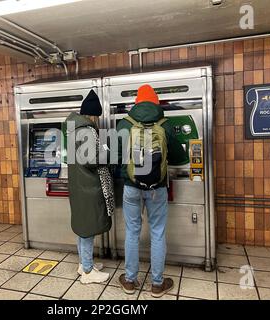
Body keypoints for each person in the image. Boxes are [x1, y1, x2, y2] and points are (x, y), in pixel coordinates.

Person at [116, 84, 188, 298]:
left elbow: (115, 156)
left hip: (131, 187)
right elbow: (180, 157)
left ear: (136, 103)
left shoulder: (124, 124)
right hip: (157, 188)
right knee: (157, 232)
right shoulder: (165, 124)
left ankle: (129, 280)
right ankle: (157, 284)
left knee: (132, 232)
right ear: (156, 103)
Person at [66, 89, 114, 284]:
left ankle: (84, 264)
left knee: (83, 226)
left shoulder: (73, 129)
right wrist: (106, 148)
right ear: (92, 114)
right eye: (97, 116)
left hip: (80, 185)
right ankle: (87, 272)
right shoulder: (85, 130)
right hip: (88, 186)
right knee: (87, 228)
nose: (97, 120)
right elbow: (93, 159)